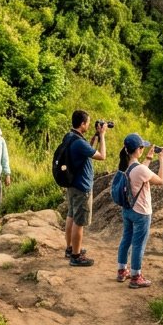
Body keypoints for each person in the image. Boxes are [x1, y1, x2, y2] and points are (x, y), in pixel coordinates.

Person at [115, 133, 163, 289]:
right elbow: (161, 180)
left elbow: (140, 172)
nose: (143, 149)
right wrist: (162, 160)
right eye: (142, 147)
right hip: (141, 212)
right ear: (137, 150)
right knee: (138, 244)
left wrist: (149, 159)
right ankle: (136, 276)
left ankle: (122, 271)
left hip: (128, 209)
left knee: (126, 239)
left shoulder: (125, 166)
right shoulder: (141, 169)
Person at [61, 110, 107, 266]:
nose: (89, 124)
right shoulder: (79, 142)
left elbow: (86, 151)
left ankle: (70, 248)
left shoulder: (70, 137)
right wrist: (102, 136)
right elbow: (102, 156)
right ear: (82, 124)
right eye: (87, 122)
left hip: (72, 183)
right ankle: (76, 256)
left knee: (71, 216)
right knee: (79, 221)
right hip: (82, 186)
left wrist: (94, 136)